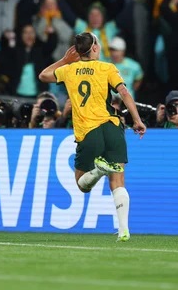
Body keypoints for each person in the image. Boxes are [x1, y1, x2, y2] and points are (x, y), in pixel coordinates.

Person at [39, 32, 146, 242]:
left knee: (81, 184)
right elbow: (124, 93)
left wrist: (65, 60)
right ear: (95, 48)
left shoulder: (69, 70)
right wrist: (137, 120)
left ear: (77, 51)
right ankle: (124, 229)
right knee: (118, 181)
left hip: (88, 131)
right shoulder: (107, 68)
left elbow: (43, 75)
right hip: (113, 127)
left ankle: (98, 170)